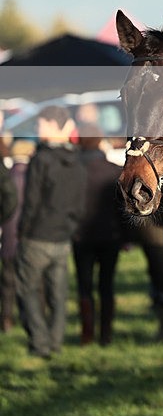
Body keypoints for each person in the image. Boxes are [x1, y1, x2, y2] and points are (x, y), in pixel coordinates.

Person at [15, 106, 86, 358]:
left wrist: (22, 232)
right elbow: (80, 203)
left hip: (37, 235)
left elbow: (32, 201)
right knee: (58, 293)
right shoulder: (76, 161)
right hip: (62, 236)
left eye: (41, 125)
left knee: (27, 290)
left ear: (54, 126)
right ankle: (54, 341)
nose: (38, 130)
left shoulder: (41, 159)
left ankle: (40, 342)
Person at [73, 124, 125, 346]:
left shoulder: (74, 169)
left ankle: (87, 335)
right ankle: (106, 335)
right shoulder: (114, 170)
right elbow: (122, 208)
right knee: (107, 285)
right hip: (110, 235)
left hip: (80, 235)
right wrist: (126, 237)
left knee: (84, 286)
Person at [1, 139, 35, 332]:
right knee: (31, 282)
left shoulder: (6, 176)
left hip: (8, 235)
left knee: (7, 280)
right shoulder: (33, 175)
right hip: (28, 236)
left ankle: (6, 319)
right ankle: (29, 318)